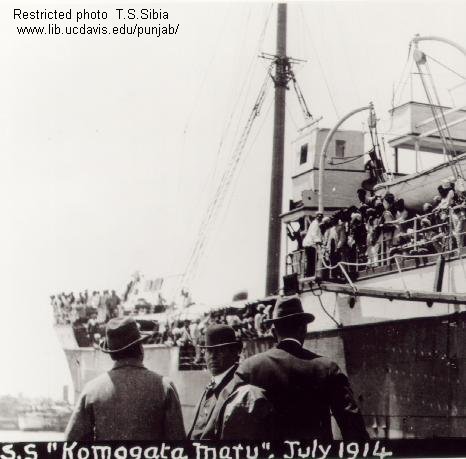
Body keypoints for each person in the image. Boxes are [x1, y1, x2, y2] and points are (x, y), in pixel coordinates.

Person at [235, 296, 369, 442]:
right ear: (303, 329)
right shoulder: (327, 368)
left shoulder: (248, 368)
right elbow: (353, 426)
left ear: (274, 332)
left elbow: (235, 425)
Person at [65, 316, 185, 441]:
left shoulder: (91, 390)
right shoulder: (165, 387)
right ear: (140, 349)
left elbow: (69, 446)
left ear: (111, 354)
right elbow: (180, 449)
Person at [188, 324, 273, 440]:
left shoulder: (242, 389)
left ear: (235, 352)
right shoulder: (211, 387)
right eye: (209, 350)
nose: (213, 356)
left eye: (220, 350)